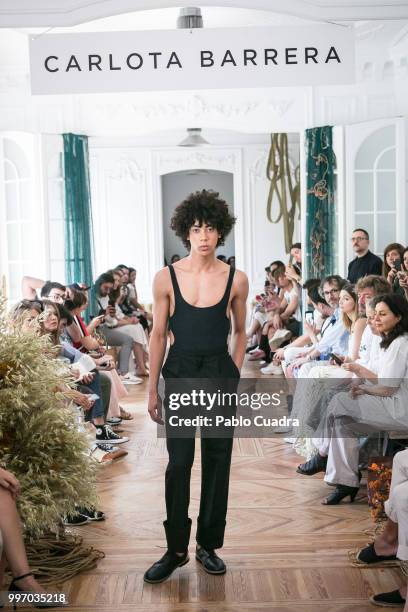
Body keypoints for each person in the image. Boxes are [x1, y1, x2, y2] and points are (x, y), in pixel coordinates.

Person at [144, 189, 248, 584]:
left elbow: (240, 332)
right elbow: (157, 335)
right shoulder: (165, 278)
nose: (203, 236)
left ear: (221, 232)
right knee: (180, 462)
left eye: (210, 228)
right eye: (196, 228)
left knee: (218, 461)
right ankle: (175, 550)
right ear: (184, 233)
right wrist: (153, 389)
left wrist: (232, 376)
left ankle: (208, 545)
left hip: (218, 373)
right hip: (182, 371)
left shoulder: (236, 278)